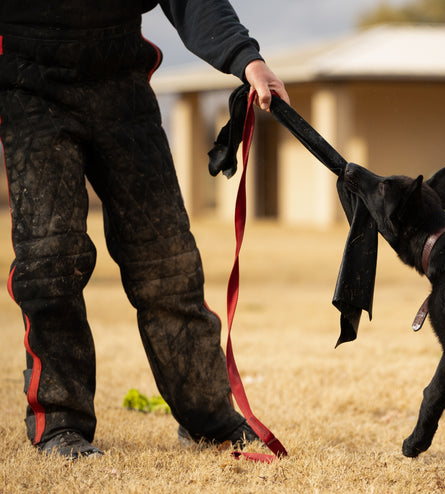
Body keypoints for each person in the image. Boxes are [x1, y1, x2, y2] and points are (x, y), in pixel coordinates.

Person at [0, 0, 289, 459]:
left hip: (121, 83)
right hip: (26, 83)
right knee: (51, 261)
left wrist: (245, 57)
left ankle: (208, 420)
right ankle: (59, 426)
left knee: (169, 263)